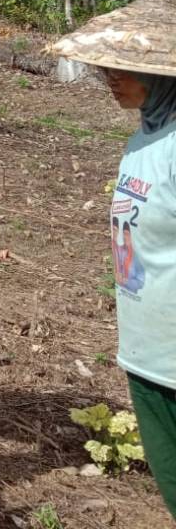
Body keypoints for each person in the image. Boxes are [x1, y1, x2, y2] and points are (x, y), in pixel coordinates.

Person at [98, 66, 176, 516]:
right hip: (146, 351)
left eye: (125, 70)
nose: (110, 77)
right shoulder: (143, 140)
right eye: (106, 68)